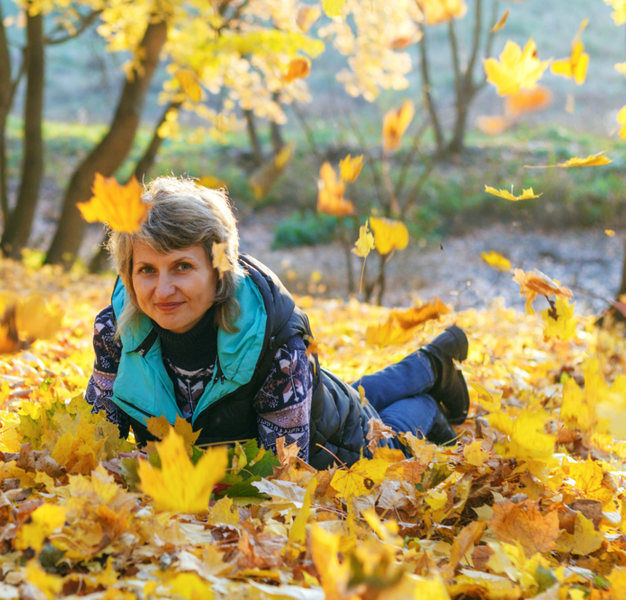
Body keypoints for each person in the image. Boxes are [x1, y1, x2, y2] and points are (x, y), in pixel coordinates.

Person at [84, 177, 470, 469]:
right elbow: (98, 443)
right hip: (308, 395)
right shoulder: (115, 334)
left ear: (219, 269)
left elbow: (282, 477)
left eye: (182, 267)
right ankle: (428, 365)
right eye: (147, 270)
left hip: (341, 445)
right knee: (337, 394)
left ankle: (427, 400)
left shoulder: (274, 346)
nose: (163, 290)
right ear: (128, 275)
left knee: (387, 434)